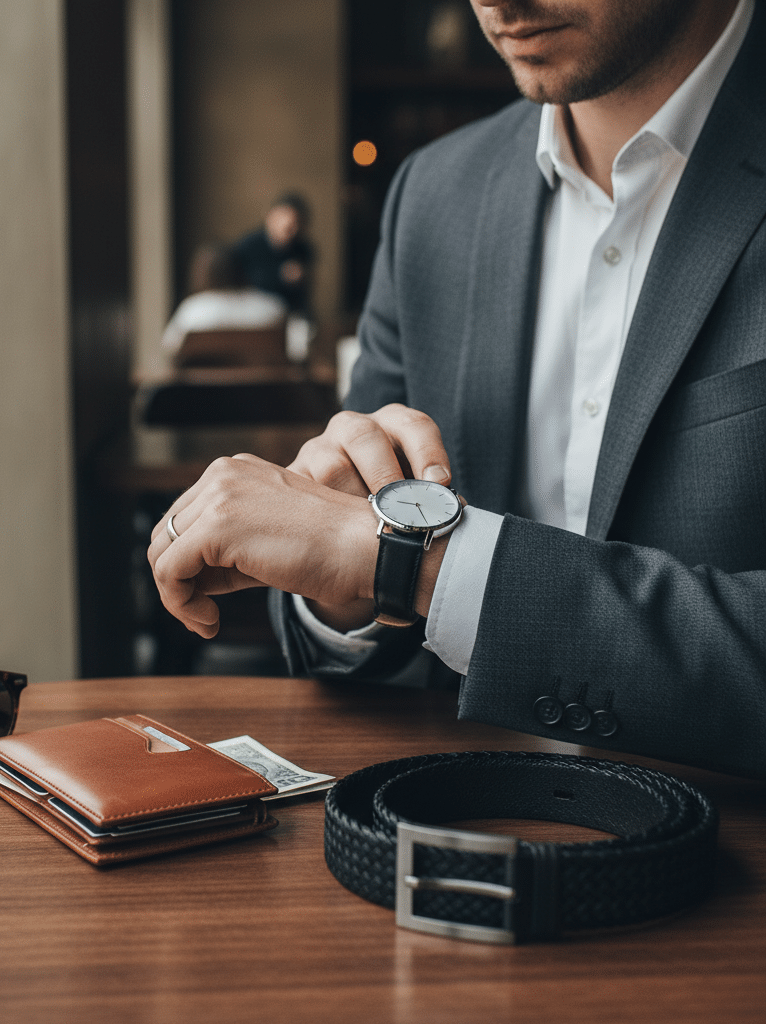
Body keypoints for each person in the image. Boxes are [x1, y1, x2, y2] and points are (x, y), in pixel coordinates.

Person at [148, 0, 766, 780]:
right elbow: (353, 634)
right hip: (438, 838)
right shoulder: (432, 197)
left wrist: (415, 565)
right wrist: (344, 588)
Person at [160, 243, 287, 355]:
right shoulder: (273, 307)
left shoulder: (193, 310)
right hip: (265, 382)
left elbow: (169, 347)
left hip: (204, 382)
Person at [233, 193, 315, 314]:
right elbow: (240, 283)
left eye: (296, 224)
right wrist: (281, 276)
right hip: (254, 312)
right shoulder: (249, 246)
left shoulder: (303, 249)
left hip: (292, 312)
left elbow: (305, 293)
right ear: (270, 217)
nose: (293, 229)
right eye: (288, 225)